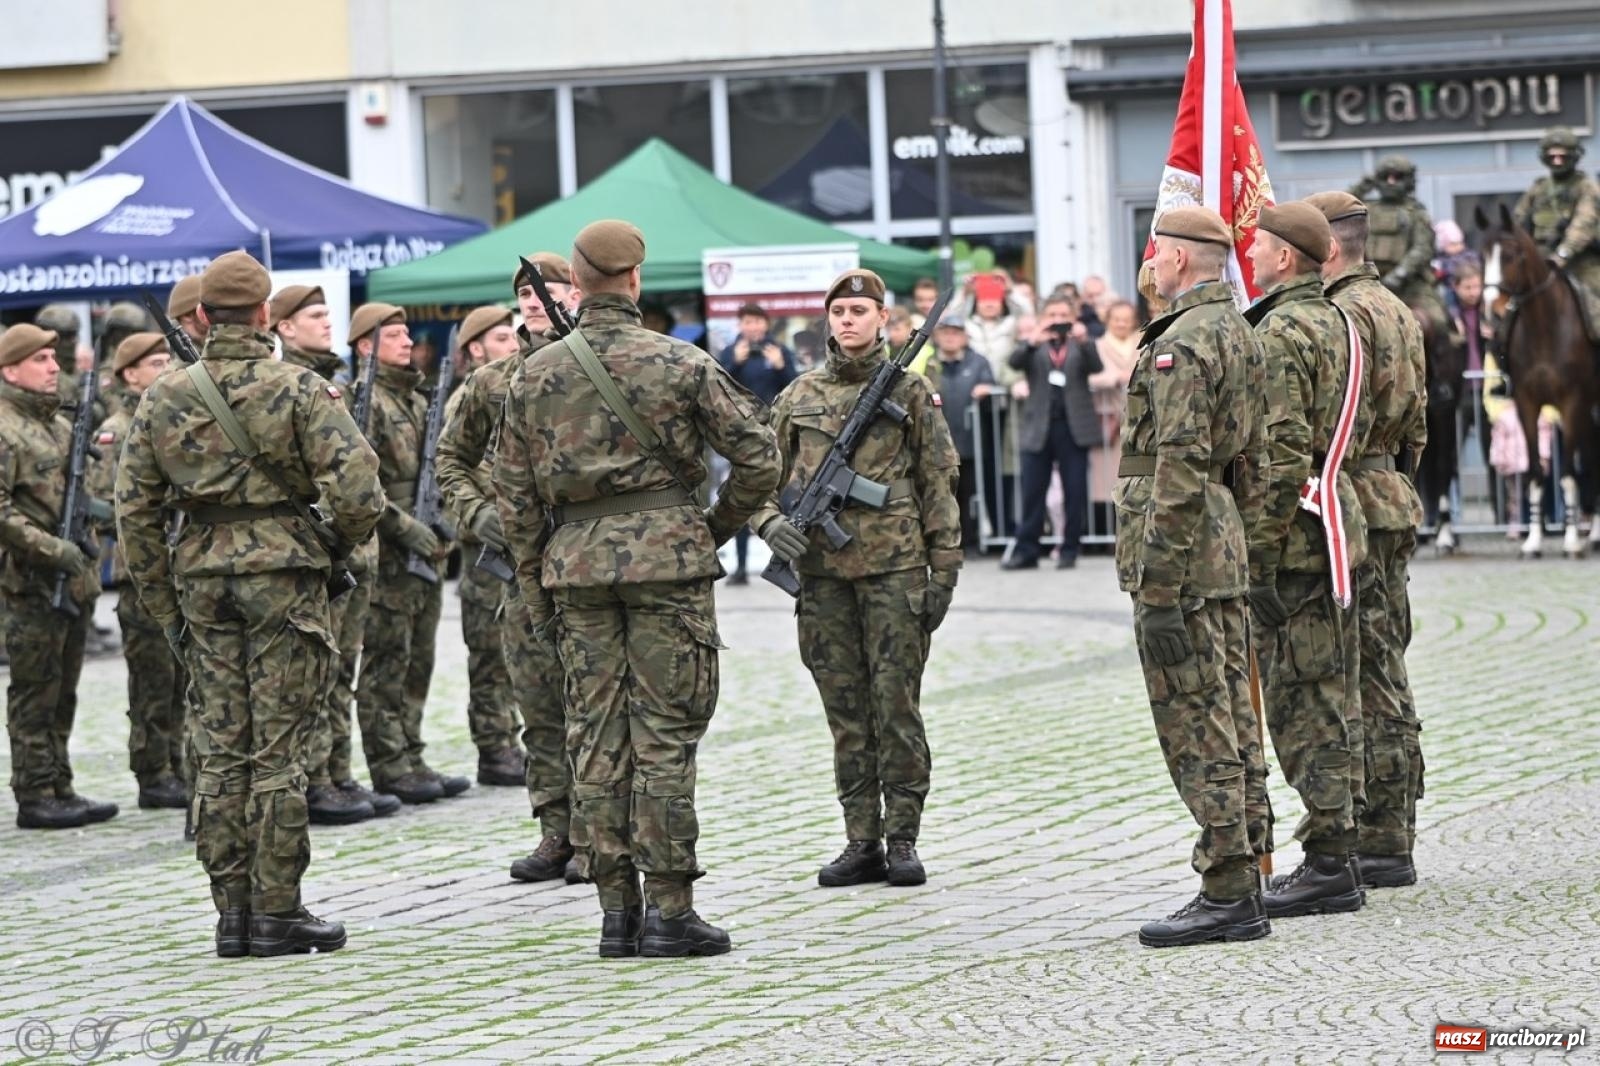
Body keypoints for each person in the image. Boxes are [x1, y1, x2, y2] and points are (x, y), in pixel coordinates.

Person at [496, 221, 781, 957]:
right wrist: (709, 529)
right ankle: (671, 908)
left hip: (577, 570)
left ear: (580, 284)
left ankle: (615, 912)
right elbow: (758, 456)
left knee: (594, 736)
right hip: (667, 569)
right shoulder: (678, 362)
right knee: (664, 735)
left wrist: (536, 584)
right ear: (634, 280)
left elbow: (515, 497)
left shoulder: (533, 374)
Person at [115, 250, 385, 956]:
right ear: (266, 315)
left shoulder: (164, 397)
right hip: (284, 584)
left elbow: (134, 514)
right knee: (277, 750)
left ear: (202, 316)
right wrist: (331, 549)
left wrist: (165, 605)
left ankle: (231, 912)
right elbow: (361, 494)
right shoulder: (296, 389)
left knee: (220, 748)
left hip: (202, 584)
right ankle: (277, 908)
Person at [753, 268, 962, 892]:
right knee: (845, 711)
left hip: (896, 571)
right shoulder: (797, 396)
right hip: (822, 578)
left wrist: (943, 570)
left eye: (859, 311)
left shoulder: (911, 393)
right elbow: (758, 476)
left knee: (895, 706)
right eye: (838, 311)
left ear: (883, 320)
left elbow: (938, 484)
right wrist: (769, 525)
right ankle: (860, 838)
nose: (847, 321)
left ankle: (902, 838)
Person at [1116, 206, 1271, 948]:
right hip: (1222, 543)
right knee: (1232, 715)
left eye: (1157, 252)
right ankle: (1247, 861)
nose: (1153, 263)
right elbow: (1255, 459)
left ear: (1177, 260)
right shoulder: (1238, 329)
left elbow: (1179, 466)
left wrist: (1155, 583)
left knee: (1194, 717)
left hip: (1185, 555)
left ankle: (1228, 885)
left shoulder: (1183, 342)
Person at [1243, 202, 1372, 920]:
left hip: (1296, 536)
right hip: (1330, 520)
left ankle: (1329, 858)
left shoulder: (1285, 330)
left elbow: (1283, 450)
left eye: (1258, 246)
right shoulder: (1334, 317)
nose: (1250, 255)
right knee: (1329, 690)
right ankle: (1336, 849)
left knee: (1302, 700)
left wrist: (1256, 556)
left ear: (1285, 257)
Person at [439, 252, 582, 883]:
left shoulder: (597, 365)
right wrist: (479, 516)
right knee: (539, 703)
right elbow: (450, 460)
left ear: (576, 293)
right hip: (524, 570)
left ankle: (603, 836)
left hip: (591, 561)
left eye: (547, 288)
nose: (532, 298)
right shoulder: (492, 382)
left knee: (597, 706)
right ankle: (557, 828)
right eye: (523, 290)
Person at [1308, 190, 1429, 890]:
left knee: (1359, 671)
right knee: (1386, 665)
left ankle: (1376, 834)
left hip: (1351, 496)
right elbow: (1419, 423)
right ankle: (1392, 828)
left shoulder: (1344, 313)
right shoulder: (1398, 308)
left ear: (1326, 248)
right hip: (1391, 492)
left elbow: (1338, 419)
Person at [272, 284, 406, 818]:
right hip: (319, 546)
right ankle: (314, 777)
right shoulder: (293, 386)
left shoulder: (333, 383)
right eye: (315, 315)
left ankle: (337, 771)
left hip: (354, 549)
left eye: (329, 314)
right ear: (284, 327)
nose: (328, 323)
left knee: (343, 668)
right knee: (317, 670)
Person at [349, 304, 469, 804]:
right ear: (365, 346)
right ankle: (388, 761)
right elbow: (360, 484)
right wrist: (405, 529)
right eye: (394, 335)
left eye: (406, 334)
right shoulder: (364, 399)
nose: (406, 342)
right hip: (390, 547)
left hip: (428, 544)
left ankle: (412, 753)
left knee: (419, 656)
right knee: (386, 659)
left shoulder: (417, 400)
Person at [0, 323, 117, 830]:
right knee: (35, 690)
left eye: (53, 357)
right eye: (41, 359)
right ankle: (34, 792)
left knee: (65, 688)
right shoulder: (4, 427)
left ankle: (60, 783)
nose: (54, 367)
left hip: (76, 579)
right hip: (29, 583)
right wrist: (54, 550)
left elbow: (84, 492)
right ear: (10, 370)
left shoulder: (58, 425)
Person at [89, 333, 187, 812]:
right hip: (140, 572)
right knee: (152, 681)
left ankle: (178, 763)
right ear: (130, 374)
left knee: (181, 679)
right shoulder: (117, 428)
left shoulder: (168, 419)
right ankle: (153, 772)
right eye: (155, 362)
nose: (166, 368)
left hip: (180, 568)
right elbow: (106, 505)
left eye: (168, 359)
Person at [440, 305, 524, 788]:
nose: (511, 344)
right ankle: (494, 747)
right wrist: (480, 518)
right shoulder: (468, 398)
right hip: (486, 548)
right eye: (499, 338)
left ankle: (510, 740)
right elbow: (455, 473)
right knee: (490, 653)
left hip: (515, 540)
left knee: (516, 653)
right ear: (475, 349)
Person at [1003, 296, 1102, 570]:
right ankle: (1027, 550)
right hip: (1039, 426)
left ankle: (1070, 549)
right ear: (1043, 316)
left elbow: (1096, 367)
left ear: (1072, 316)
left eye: (1063, 313)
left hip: (1073, 427)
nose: (1058, 319)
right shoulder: (1036, 343)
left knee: (1074, 490)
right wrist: (1032, 340)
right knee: (1033, 491)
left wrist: (1084, 340)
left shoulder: (1079, 344)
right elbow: (1014, 362)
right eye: (1053, 313)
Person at [717, 302, 799, 584]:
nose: (753, 327)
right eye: (747, 322)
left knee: (783, 499)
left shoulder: (778, 350)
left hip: (777, 436)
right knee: (741, 499)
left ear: (766, 324)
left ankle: (784, 561)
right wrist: (733, 364)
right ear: (740, 325)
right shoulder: (731, 352)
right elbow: (717, 391)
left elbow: (796, 388)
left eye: (757, 322)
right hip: (742, 437)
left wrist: (781, 366)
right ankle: (739, 567)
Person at [1350, 156, 1446, 335]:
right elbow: (1337, 206)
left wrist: (1398, 276)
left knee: (1439, 321)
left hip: (1411, 286)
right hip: (1368, 282)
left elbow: (1422, 249)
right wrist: (1364, 186)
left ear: (1408, 181)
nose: (1390, 183)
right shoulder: (1364, 209)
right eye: (1386, 177)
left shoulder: (1417, 213)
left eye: (1397, 177)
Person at [931, 310, 995, 552]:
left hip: (972, 442)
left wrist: (986, 390)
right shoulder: (930, 362)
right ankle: (946, 541)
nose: (950, 338)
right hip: (938, 443)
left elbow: (992, 387)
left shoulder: (978, 362)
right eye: (945, 332)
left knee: (971, 492)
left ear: (965, 337)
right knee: (943, 495)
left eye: (955, 333)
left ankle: (972, 540)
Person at [1513, 126, 1600, 296]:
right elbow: (1518, 220)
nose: (1557, 161)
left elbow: (1583, 225)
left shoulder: (1587, 188)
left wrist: (1563, 254)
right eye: (1552, 156)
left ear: (1574, 156)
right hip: (1541, 257)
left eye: (1562, 156)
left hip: (1581, 260)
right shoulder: (1539, 188)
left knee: (1594, 302)